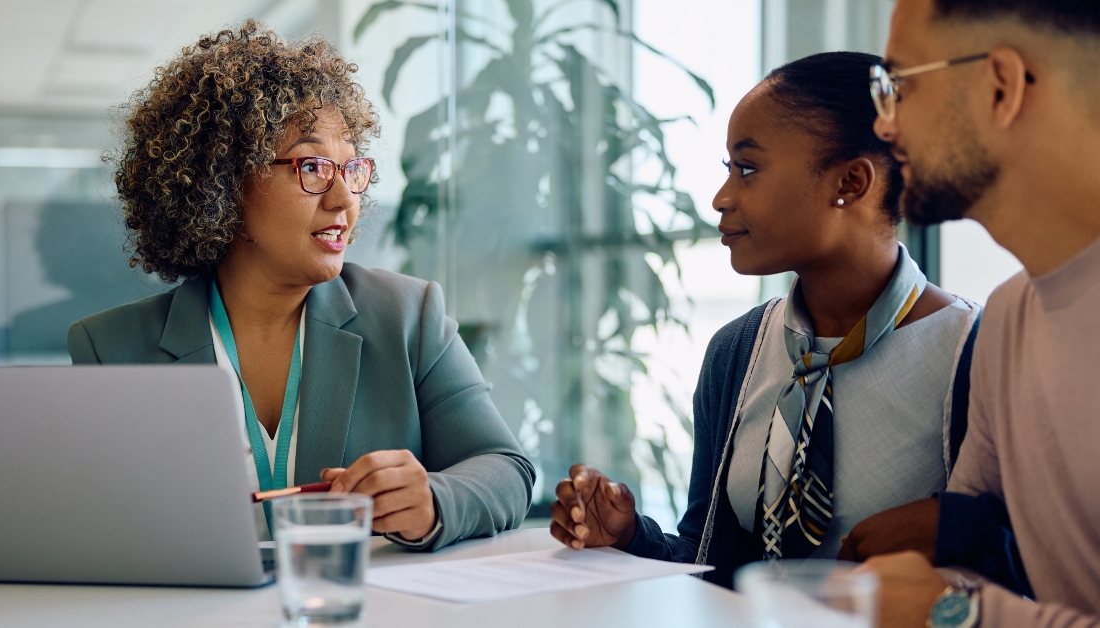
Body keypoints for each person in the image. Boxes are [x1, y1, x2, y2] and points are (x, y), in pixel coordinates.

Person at [67, 21, 533, 551]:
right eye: (312, 166)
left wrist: (433, 502)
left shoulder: (407, 315)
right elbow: (99, 532)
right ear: (224, 184)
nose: (344, 199)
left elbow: (506, 470)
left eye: (351, 167)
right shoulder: (112, 350)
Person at [548, 51, 980, 587]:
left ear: (850, 182)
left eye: (747, 169)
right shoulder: (738, 351)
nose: (721, 198)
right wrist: (630, 536)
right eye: (727, 170)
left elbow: (1025, 564)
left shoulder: (974, 355)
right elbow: (715, 565)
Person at [848, 0, 1100, 626]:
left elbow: (958, 604)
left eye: (898, 86)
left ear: (1000, 87)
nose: (885, 124)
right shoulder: (1010, 319)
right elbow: (965, 563)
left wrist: (954, 614)